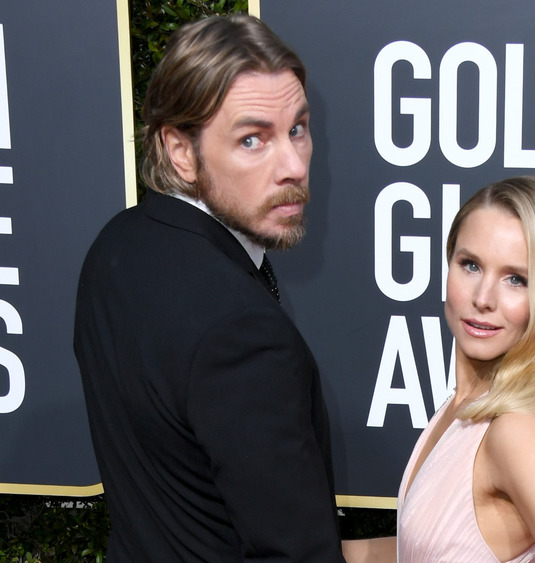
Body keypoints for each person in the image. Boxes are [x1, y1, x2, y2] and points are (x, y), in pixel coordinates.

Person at [73, 15, 347, 561]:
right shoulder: (242, 335)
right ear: (180, 151)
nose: (293, 165)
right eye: (253, 140)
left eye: (298, 128)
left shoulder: (116, 244)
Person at [396, 176, 535, 562]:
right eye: (470, 265)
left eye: (516, 279)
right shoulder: (467, 405)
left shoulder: (519, 430)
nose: (483, 298)